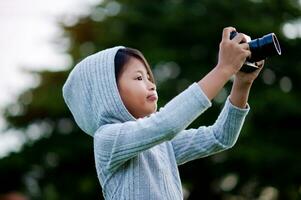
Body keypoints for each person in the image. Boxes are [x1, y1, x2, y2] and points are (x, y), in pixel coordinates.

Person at [62, 27, 264, 200]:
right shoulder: (107, 139)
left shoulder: (161, 145)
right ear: (107, 92)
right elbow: (166, 124)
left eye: (150, 77)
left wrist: (242, 84)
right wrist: (223, 69)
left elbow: (220, 137)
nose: (151, 85)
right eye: (139, 78)